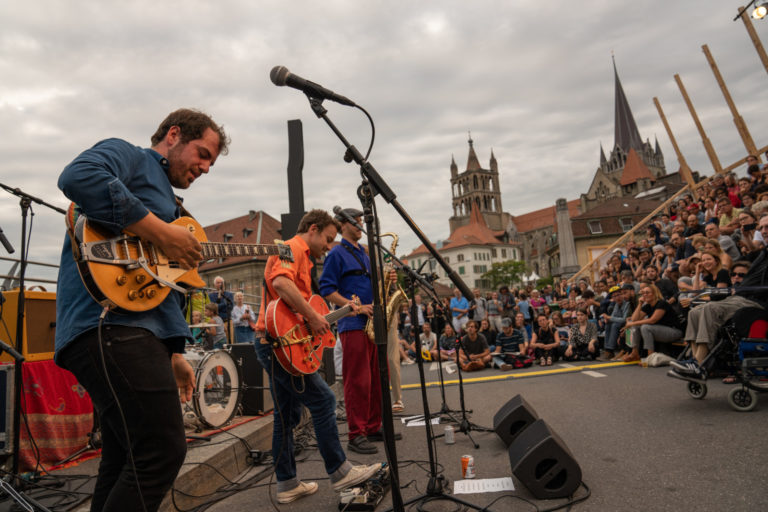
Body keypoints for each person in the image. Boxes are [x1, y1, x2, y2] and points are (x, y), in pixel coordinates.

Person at [55, 108, 229, 511]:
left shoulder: (172, 202)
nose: (205, 167)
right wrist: (161, 231)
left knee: (124, 458)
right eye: (202, 154)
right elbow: (77, 176)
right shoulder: (129, 156)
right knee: (162, 451)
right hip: (108, 324)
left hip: (130, 332)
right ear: (173, 135)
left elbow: (156, 289)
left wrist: (174, 354)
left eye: (211, 163)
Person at [253, 209, 381, 503]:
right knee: (324, 400)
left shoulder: (301, 254)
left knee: (286, 416)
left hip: (273, 342)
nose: (328, 246)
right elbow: (281, 284)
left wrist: (341, 311)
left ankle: (287, 484)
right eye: (327, 238)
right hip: (276, 344)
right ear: (312, 229)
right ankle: (340, 471)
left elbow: (292, 306)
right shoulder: (291, 247)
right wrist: (312, 315)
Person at [318, 207, 393, 456]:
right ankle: (356, 434)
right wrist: (355, 307)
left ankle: (372, 426)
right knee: (357, 381)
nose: (361, 223)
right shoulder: (336, 253)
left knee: (375, 377)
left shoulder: (365, 252)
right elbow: (327, 289)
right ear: (343, 224)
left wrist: (387, 278)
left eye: (362, 219)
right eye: (357, 220)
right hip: (352, 324)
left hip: (372, 323)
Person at [622, 283, 683, 362]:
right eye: (643, 293)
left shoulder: (662, 303)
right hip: (660, 331)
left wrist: (632, 323)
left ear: (655, 293)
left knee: (645, 327)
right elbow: (634, 319)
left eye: (647, 293)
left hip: (674, 331)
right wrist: (640, 304)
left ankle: (650, 357)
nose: (644, 295)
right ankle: (634, 353)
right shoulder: (648, 305)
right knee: (636, 326)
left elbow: (652, 320)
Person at [600, 286, 631, 360]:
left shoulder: (627, 303)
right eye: (614, 296)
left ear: (622, 294)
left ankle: (610, 349)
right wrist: (608, 320)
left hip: (628, 323)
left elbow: (624, 319)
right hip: (620, 323)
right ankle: (607, 350)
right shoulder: (616, 305)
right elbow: (613, 316)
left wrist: (610, 318)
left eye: (618, 295)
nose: (617, 297)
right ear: (612, 298)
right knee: (608, 324)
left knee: (615, 325)